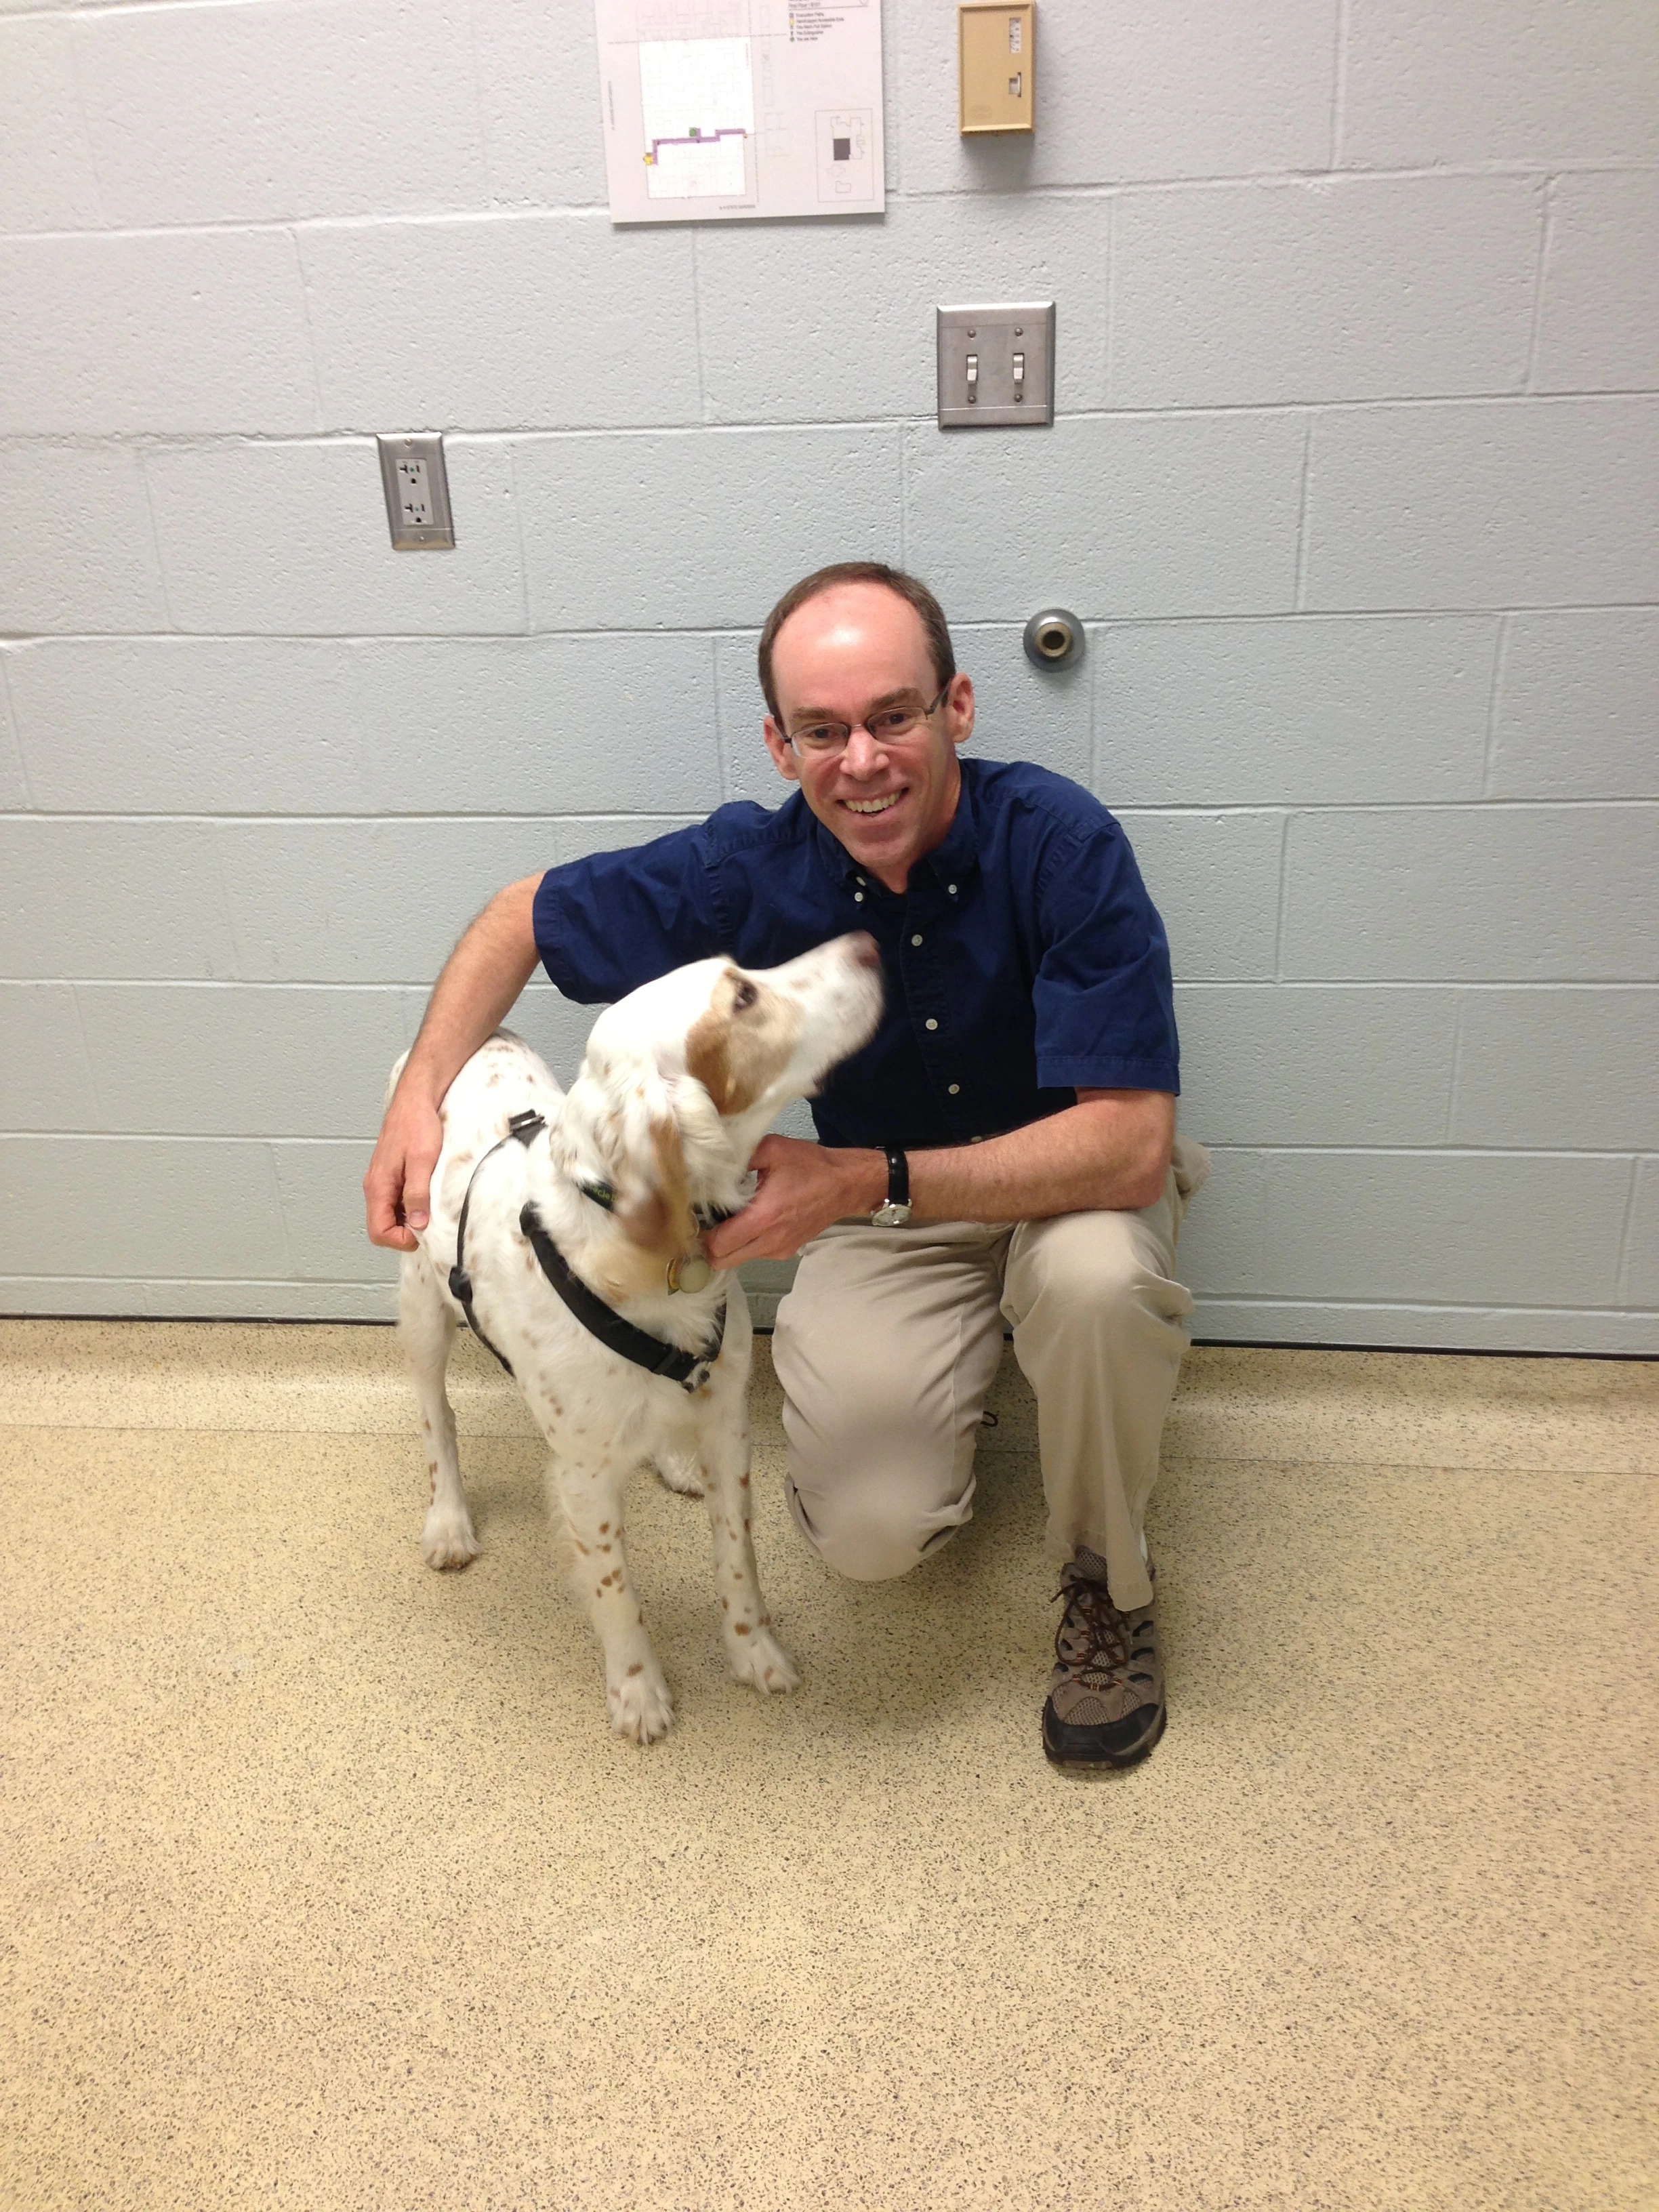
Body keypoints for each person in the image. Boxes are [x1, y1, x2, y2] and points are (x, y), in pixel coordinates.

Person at [365, 562, 1207, 1769]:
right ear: (779, 743)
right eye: (824, 729)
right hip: (886, 1224)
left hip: (1062, 1188)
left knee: (1092, 1288)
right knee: (869, 1534)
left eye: (893, 716)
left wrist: (868, 1179)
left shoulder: (1061, 843)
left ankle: (1106, 1583)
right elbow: (515, 920)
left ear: (958, 706)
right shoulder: (742, 871)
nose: (860, 758)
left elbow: (1129, 1143)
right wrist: (416, 1100)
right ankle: (972, 1368)